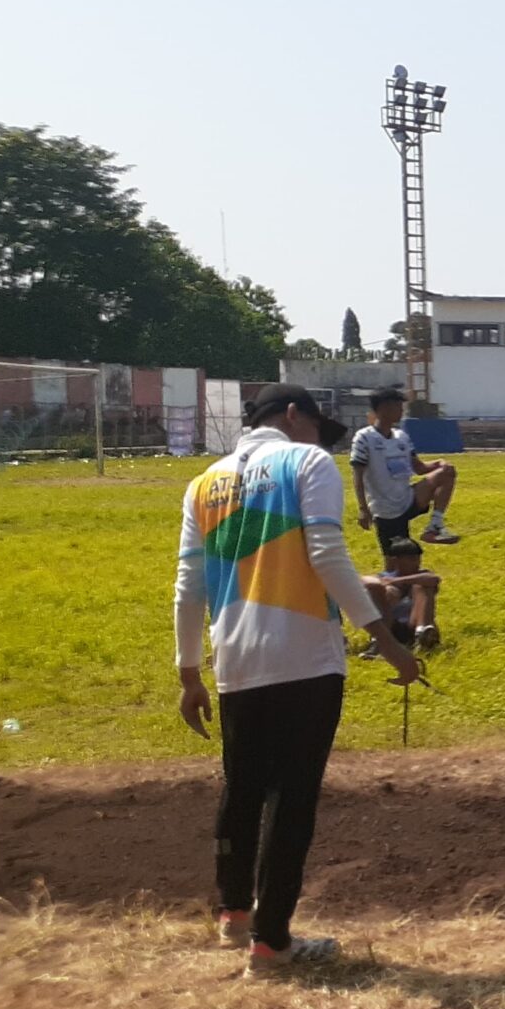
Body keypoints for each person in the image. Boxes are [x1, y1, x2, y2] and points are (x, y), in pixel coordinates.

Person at [173, 384, 420, 976]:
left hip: (234, 659)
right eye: (314, 425)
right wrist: (384, 639)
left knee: (243, 788)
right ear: (291, 416)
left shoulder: (203, 483)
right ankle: (272, 941)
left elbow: (189, 585)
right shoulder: (308, 462)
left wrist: (189, 673)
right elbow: (328, 554)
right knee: (291, 802)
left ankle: (235, 914)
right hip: (304, 658)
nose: (318, 438)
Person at [349, 388, 460, 551]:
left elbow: (419, 468)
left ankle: (434, 527)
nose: (402, 411)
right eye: (398, 407)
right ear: (383, 409)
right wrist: (363, 509)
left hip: (409, 499)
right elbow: (357, 475)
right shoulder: (364, 437)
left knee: (447, 471)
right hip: (386, 509)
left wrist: (439, 464)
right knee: (397, 561)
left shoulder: (402, 436)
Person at [361, 536, 442, 655]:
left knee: (421, 586)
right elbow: (363, 581)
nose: (417, 563)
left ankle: (422, 631)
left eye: (418, 558)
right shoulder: (383, 577)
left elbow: (434, 579)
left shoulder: (422, 576)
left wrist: (397, 581)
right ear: (395, 560)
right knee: (379, 590)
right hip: (392, 626)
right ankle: (379, 640)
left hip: (413, 624)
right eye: (411, 559)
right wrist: (387, 589)